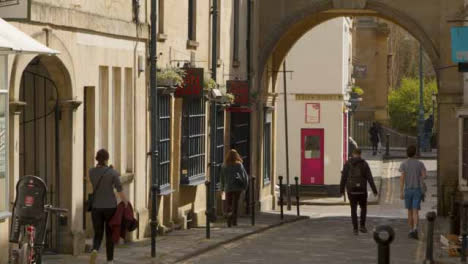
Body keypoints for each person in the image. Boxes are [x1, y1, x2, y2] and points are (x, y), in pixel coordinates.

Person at [89, 149, 128, 264]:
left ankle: (95, 249)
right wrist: (125, 202)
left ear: (97, 158)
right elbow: (119, 189)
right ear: (107, 159)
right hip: (110, 207)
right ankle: (110, 260)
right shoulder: (113, 172)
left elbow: (98, 178)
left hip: (96, 207)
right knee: (109, 234)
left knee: (98, 234)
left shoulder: (91, 172)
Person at [340, 148, 378, 235]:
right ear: (360, 154)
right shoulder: (364, 164)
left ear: (353, 154)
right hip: (362, 190)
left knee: (353, 209)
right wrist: (374, 190)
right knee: (363, 208)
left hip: (351, 190)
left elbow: (343, 178)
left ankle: (355, 229)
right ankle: (362, 226)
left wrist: (341, 190)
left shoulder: (347, 164)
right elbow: (370, 178)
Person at [399, 145, 426, 240]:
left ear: (407, 153)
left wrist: (401, 191)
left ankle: (410, 230)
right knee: (415, 212)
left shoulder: (404, 164)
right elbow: (424, 175)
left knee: (409, 212)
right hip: (417, 190)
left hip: (408, 190)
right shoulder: (420, 164)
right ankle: (415, 229)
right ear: (415, 153)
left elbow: (402, 178)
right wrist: (419, 178)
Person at [220, 149, 249, 227]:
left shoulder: (224, 165)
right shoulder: (239, 165)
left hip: (228, 187)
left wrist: (222, 189)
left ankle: (229, 215)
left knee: (228, 203)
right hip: (237, 187)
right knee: (235, 203)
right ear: (237, 156)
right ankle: (234, 221)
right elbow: (244, 176)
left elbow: (222, 178)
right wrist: (245, 186)